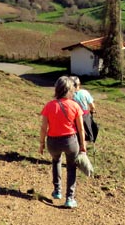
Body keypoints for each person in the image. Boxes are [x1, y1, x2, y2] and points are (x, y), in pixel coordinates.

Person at [39, 76, 86, 208]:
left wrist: (42, 144)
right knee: (71, 167)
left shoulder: (49, 105)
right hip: (70, 141)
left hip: (53, 142)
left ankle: (57, 190)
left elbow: (43, 128)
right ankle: (70, 198)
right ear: (70, 90)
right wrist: (83, 145)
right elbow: (81, 129)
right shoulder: (75, 106)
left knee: (56, 161)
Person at [72, 76, 97, 142]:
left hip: (73, 116)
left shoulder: (69, 94)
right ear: (79, 84)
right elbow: (92, 106)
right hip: (85, 115)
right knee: (86, 132)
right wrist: (92, 110)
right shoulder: (84, 92)